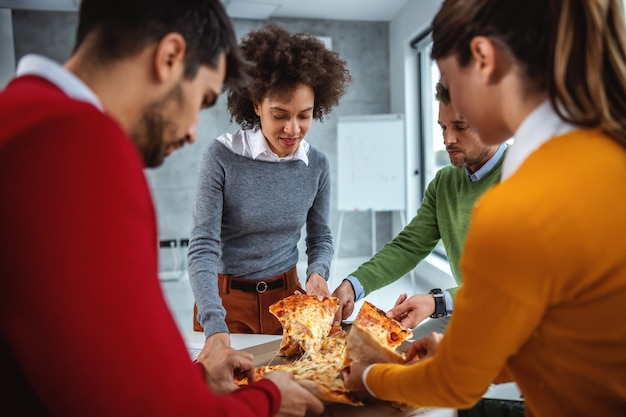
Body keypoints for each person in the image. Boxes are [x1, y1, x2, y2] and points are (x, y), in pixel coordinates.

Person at [0, 1, 324, 416]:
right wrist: (269, 399)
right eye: (202, 99)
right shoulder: (78, 143)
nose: (192, 133)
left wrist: (195, 378)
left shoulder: (22, 116)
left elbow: (100, 369)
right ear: (169, 57)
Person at [342, 0, 626, 416]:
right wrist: (472, 355)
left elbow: (455, 385)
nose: (450, 125)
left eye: (450, 81)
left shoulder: (518, 205)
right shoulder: (604, 158)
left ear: (482, 59)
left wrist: (368, 377)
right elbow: (574, 343)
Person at [188, 24, 351, 359]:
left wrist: (317, 272)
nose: (293, 130)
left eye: (304, 116)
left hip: (289, 300)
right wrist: (214, 325)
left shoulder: (317, 165)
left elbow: (320, 237)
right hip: (225, 305)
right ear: (256, 103)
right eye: (280, 115)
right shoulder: (220, 158)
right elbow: (202, 247)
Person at [331, 81, 507, 337]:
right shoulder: (445, 182)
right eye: (443, 127)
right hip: (470, 309)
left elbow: (510, 283)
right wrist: (352, 285)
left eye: (460, 126)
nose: (448, 139)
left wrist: (436, 302)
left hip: (523, 321)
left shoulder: (524, 175)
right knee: (400, 357)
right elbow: (408, 246)